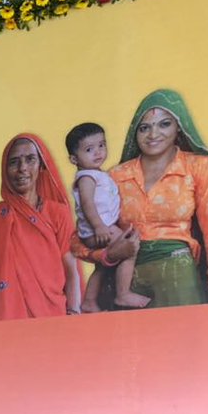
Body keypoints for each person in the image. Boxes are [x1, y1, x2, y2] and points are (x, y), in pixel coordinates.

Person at [74, 89, 208, 307]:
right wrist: (108, 255)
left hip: (178, 278)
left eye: (164, 124)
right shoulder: (115, 176)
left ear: (179, 126)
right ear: (135, 132)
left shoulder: (200, 167)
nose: (153, 134)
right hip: (124, 284)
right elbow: (79, 239)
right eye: (144, 127)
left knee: (182, 330)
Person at [0, 133, 82, 322]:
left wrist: (74, 313)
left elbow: (71, 270)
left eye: (30, 159)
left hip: (52, 317)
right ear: (5, 170)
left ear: (41, 165)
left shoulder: (58, 213)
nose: (22, 168)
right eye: (14, 162)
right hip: (3, 320)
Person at [64, 122, 150, 312]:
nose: (98, 152)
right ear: (74, 158)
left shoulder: (97, 174)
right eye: (89, 149)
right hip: (99, 229)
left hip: (101, 227)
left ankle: (89, 301)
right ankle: (123, 294)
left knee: (102, 266)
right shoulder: (86, 178)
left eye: (101, 145)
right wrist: (99, 227)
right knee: (129, 248)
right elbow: (87, 204)